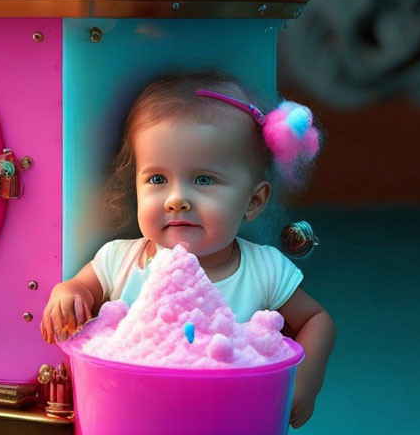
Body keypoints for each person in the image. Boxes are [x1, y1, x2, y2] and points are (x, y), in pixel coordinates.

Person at [40, 72, 336, 429]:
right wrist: (67, 294)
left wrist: (306, 380)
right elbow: (78, 289)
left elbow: (319, 321)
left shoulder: (264, 269)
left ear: (253, 201)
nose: (177, 199)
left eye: (203, 180)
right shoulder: (120, 259)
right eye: (157, 179)